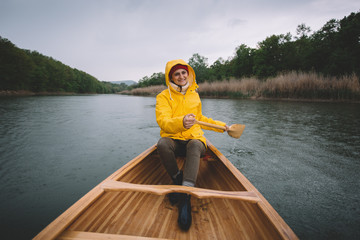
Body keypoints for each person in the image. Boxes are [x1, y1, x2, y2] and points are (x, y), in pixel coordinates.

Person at [155, 59, 228, 231]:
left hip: (194, 139)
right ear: (171, 77)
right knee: (163, 144)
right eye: (176, 74)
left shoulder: (195, 95)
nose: (181, 76)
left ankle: (185, 197)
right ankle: (178, 179)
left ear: (188, 74)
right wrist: (182, 122)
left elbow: (200, 119)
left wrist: (221, 126)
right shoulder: (163, 97)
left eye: (183, 72)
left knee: (195, 145)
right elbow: (163, 122)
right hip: (174, 138)